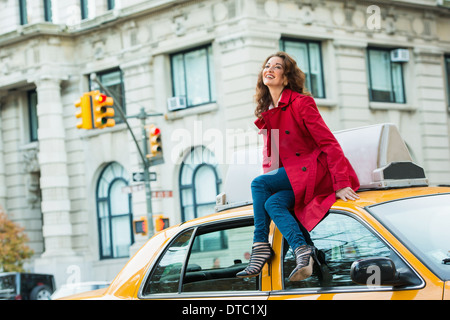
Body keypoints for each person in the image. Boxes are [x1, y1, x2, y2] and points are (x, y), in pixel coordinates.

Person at [236, 52, 360, 281]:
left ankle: (260, 244)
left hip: (315, 170)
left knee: (258, 183)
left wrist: (341, 184)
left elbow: (329, 143)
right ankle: (304, 251)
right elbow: (270, 158)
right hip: (295, 176)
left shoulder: (301, 103)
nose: (269, 69)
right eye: (267, 65)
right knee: (273, 202)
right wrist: (269, 188)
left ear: (286, 77)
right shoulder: (267, 112)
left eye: (277, 67)